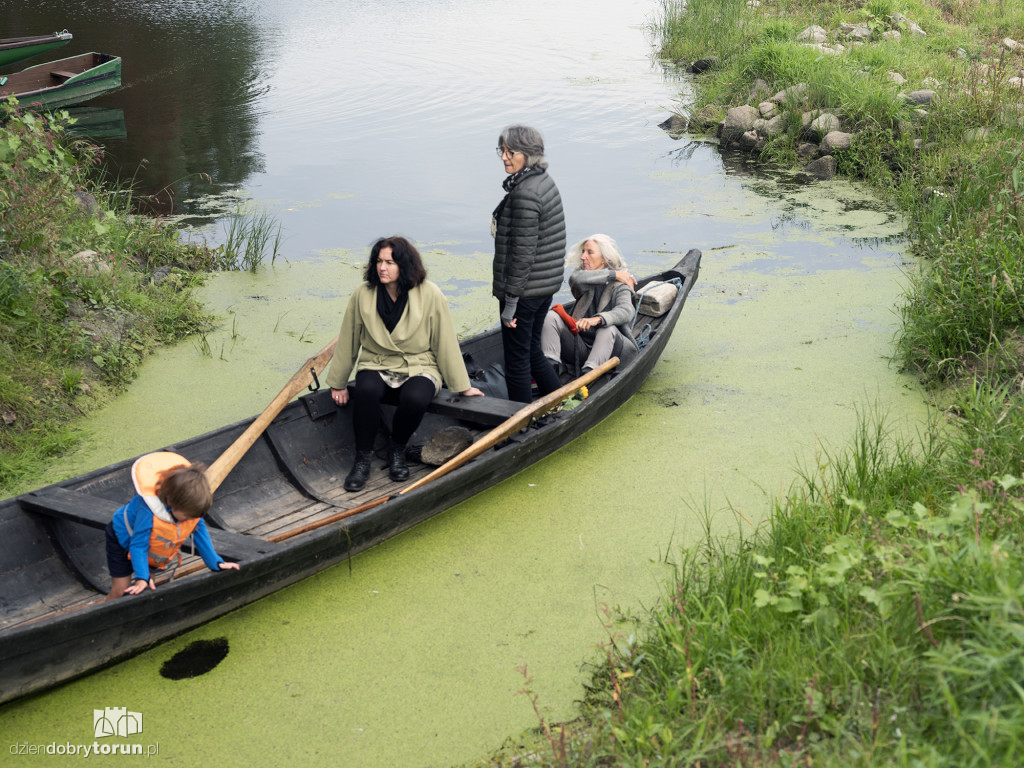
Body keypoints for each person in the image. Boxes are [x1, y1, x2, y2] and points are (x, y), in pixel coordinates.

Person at [326, 236, 484, 491]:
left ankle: (397, 448)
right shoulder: (363, 295)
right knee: (365, 391)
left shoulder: (430, 293)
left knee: (416, 398)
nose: (382, 267)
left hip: (419, 363)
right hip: (376, 362)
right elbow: (349, 339)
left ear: (404, 264)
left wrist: (462, 386)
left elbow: (445, 342)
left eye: (389, 262)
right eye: (379, 261)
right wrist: (338, 382)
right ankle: (362, 458)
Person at [491, 124, 565, 403]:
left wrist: (510, 304)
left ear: (529, 154)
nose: (504, 157)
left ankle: (520, 423)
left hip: (524, 291)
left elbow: (522, 254)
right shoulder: (542, 180)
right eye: (503, 150)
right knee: (532, 349)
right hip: (542, 288)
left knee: (517, 360)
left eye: (512, 152)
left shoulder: (525, 193)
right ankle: (557, 401)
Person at [105, 452, 240, 600]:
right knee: (121, 590)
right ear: (172, 503)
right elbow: (138, 545)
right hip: (122, 538)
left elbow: (201, 537)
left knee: (149, 585)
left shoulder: (191, 510)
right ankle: (102, 619)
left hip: (150, 543)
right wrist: (141, 578)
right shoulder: (148, 511)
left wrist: (217, 563)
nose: (190, 520)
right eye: (187, 516)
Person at [541, 234, 640, 377]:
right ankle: (550, 369)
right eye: (583, 252)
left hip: (613, 353)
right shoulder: (585, 281)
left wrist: (599, 319)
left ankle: (588, 375)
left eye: (590, 252)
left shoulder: (620, 286)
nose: (583, 257)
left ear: (605, 259)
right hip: (581, 347)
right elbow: (575, 278)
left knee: (606, 328)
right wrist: (614, 274)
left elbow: (626, 311)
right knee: (550, 317)